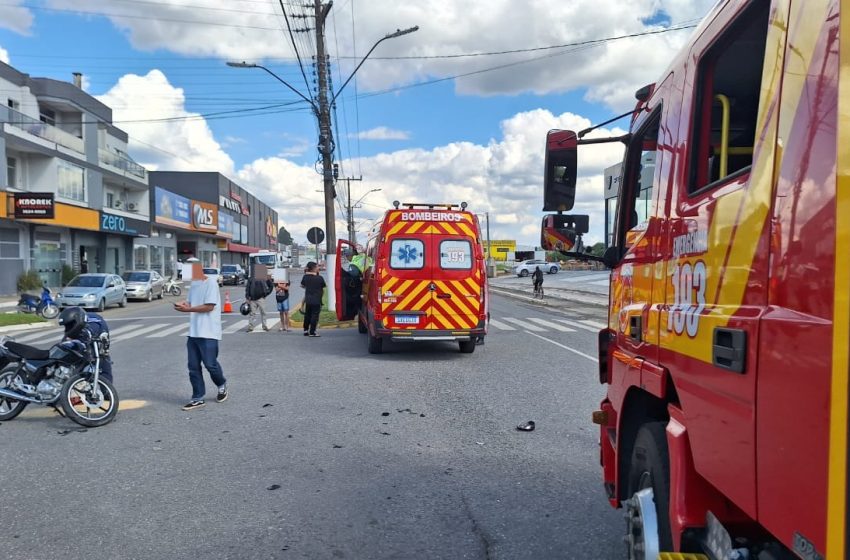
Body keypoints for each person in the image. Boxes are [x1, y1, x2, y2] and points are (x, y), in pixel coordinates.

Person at [174, 262, 226, 411]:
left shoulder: (211, 283)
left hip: (209, 332)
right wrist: (182, 304)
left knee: (210, 364)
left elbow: (210, 306)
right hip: (194, 332)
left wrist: (188, 309)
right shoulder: (194, 284)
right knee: (193, 366)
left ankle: (221, 384)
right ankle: (198, 397)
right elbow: (189, 302)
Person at [300, 261, 326, 337]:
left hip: (308, 300)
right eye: (317, 267)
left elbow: (302, 285)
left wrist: (308, 287)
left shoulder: (305, 277)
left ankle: (305, 330)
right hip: (316, 300)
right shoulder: (320, 278)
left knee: (307, 315)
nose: (319, 268)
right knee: (314, 316)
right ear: (313, 268)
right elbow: (323, 288)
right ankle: (312, 332)